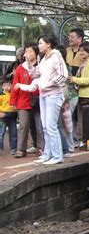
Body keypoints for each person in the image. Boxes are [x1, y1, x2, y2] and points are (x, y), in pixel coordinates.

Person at [15, 34, 68, 165]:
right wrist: (29, 63)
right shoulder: (43, 59)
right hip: (44, 95)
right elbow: (35, 75)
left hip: (53, 94)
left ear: (48, 44)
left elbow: (63, 76)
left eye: (40, 43)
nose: (39, 46)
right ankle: (48, 154)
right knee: (45, 127)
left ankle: (57, 156)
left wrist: (48, 83)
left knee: (50, 126)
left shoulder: (56, 56)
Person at [10, 43, 43, 158]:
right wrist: (13, 102)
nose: (27, 54)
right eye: (26, 52)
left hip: (38, 100)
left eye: (30, 51)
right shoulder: (20, 68)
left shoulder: (41, 66)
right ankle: (21, 149)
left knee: (39, 126)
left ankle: (41, 148)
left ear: (36, 53)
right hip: (23, 101)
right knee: (23, 125)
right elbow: (15, 85)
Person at [68, 41, 89, 148]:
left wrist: (74, 80)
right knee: (83, 122)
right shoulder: (84, 63)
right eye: (80, 50)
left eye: (83, 50)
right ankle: (88, 143)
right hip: (83, 95)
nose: (81, 52)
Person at [0, 80, 17, 155]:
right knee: (1, 133)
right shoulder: (1, 95)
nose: (6, 87)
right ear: (2, 87)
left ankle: (13, 149)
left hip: (12, 116)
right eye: (4, 85)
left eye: (8, 85)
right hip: (2, 115)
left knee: (13, 133)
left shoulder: (13, 94)